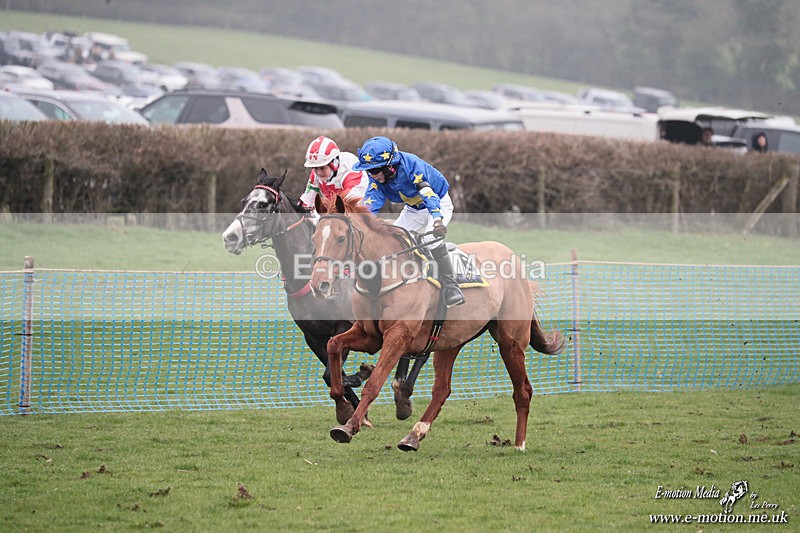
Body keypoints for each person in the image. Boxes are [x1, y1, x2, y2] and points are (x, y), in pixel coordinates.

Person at [352, 136, 465, 308]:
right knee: (392, 240)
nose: (371, 175)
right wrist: (357, 223)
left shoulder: (412, 166)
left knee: (429, 240)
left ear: (389, 167)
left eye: (374, 170)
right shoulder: (376, 178)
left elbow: (429, 195)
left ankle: (451, 287)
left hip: (437, 203)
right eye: (369, 171)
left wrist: (437, 220)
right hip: (413, 209)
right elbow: (370, 205)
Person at [298, 136, 370, 211]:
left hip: (363, 206)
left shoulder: (351, 169)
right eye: (315, 168)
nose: (318, 173)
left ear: (334, 164)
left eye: (322, 168)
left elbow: (350, 205)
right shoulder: (317, 172)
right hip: (336, 208)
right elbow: (307, 201)